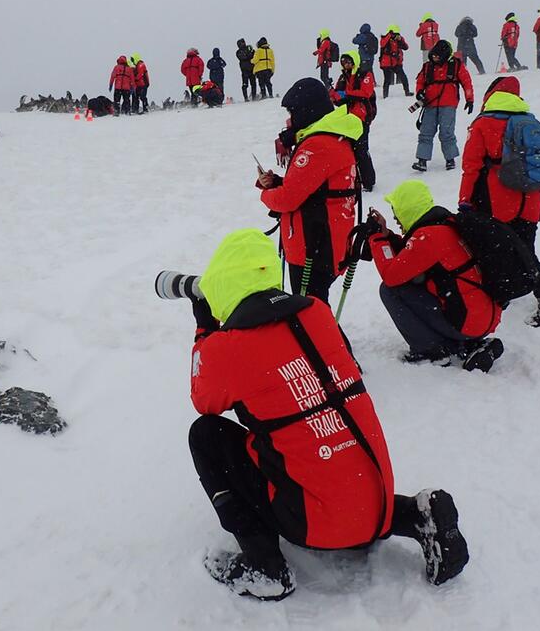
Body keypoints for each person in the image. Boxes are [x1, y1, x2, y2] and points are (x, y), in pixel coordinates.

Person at [188, 228, 470, 600]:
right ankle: (415, 515)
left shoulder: (227, 349)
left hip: (314, 526)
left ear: (221, 286)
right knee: (323, 432)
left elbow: (203, 399)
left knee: (205, 434)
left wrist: (205, 328)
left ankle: (263, 566)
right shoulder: (317, 314)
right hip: (377, 506)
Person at [458, 76, 540, 327]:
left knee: (494, 250)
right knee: (527, 250)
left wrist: (465, 200)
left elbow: (471, 167)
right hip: (530, 200)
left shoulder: (483, 124)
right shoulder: (531, 122)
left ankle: (501, 296)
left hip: (497, 201)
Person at [364, 180, 504, 371]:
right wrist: (387, 234)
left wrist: (378, 238)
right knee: (417, 283)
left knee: (390, 291)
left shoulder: (428, 237)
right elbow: (410, 256)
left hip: (467, 322)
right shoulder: (445, 225)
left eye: (397, 213)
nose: (397, 219)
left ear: (407, 210)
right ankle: (468, 344)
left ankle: (432, 350)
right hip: (481, 317)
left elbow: (391, 276)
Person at [257, 78, 361, 302]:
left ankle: (329, 339)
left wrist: (266, 194)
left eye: (293, 112)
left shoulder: (318, 145)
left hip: (313, 247)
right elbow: (316, 186)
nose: (290, 119)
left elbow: (287, 199)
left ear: (307, 111)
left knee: (309, 314)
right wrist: (277, 181)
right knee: (314, 311)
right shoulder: (334, 136)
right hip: (327, 240)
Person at [411, 40, 474, 172]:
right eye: (433, 56)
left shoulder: (456, 65)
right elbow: (420, 81)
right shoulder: (427, 66)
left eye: (437, 56)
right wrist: (419, 92)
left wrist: (470, 99)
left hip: (449, 104)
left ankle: (450, 159)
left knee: (446, 133)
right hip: (430, 104)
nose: (435, 58)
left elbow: (466, 82)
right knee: (425, 132)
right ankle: (422, 160)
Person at [331, 50, 377, 192]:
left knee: (361, 150)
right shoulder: (343, 77)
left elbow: (365, 93)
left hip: (362, 118)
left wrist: (346, 94)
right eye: (344, 62)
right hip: (346, 118)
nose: (346, 65)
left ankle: (368, 182)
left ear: (355, 61)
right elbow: (337, 97)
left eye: (349, 62)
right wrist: (334, 95)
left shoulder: (365, 74)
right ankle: (354, 180)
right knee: (348, 150)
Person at [378, 25, 413, 98]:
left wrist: (400, 40)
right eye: (394, 34)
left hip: (396, 62)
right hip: (387, 63)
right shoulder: (385, 38)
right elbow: (382, 44)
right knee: (387, 80)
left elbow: (406, 47)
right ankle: (385, 95)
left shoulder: (399, 39)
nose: (396, 35)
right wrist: (389, 36)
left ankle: (407, 92)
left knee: (403, 77)